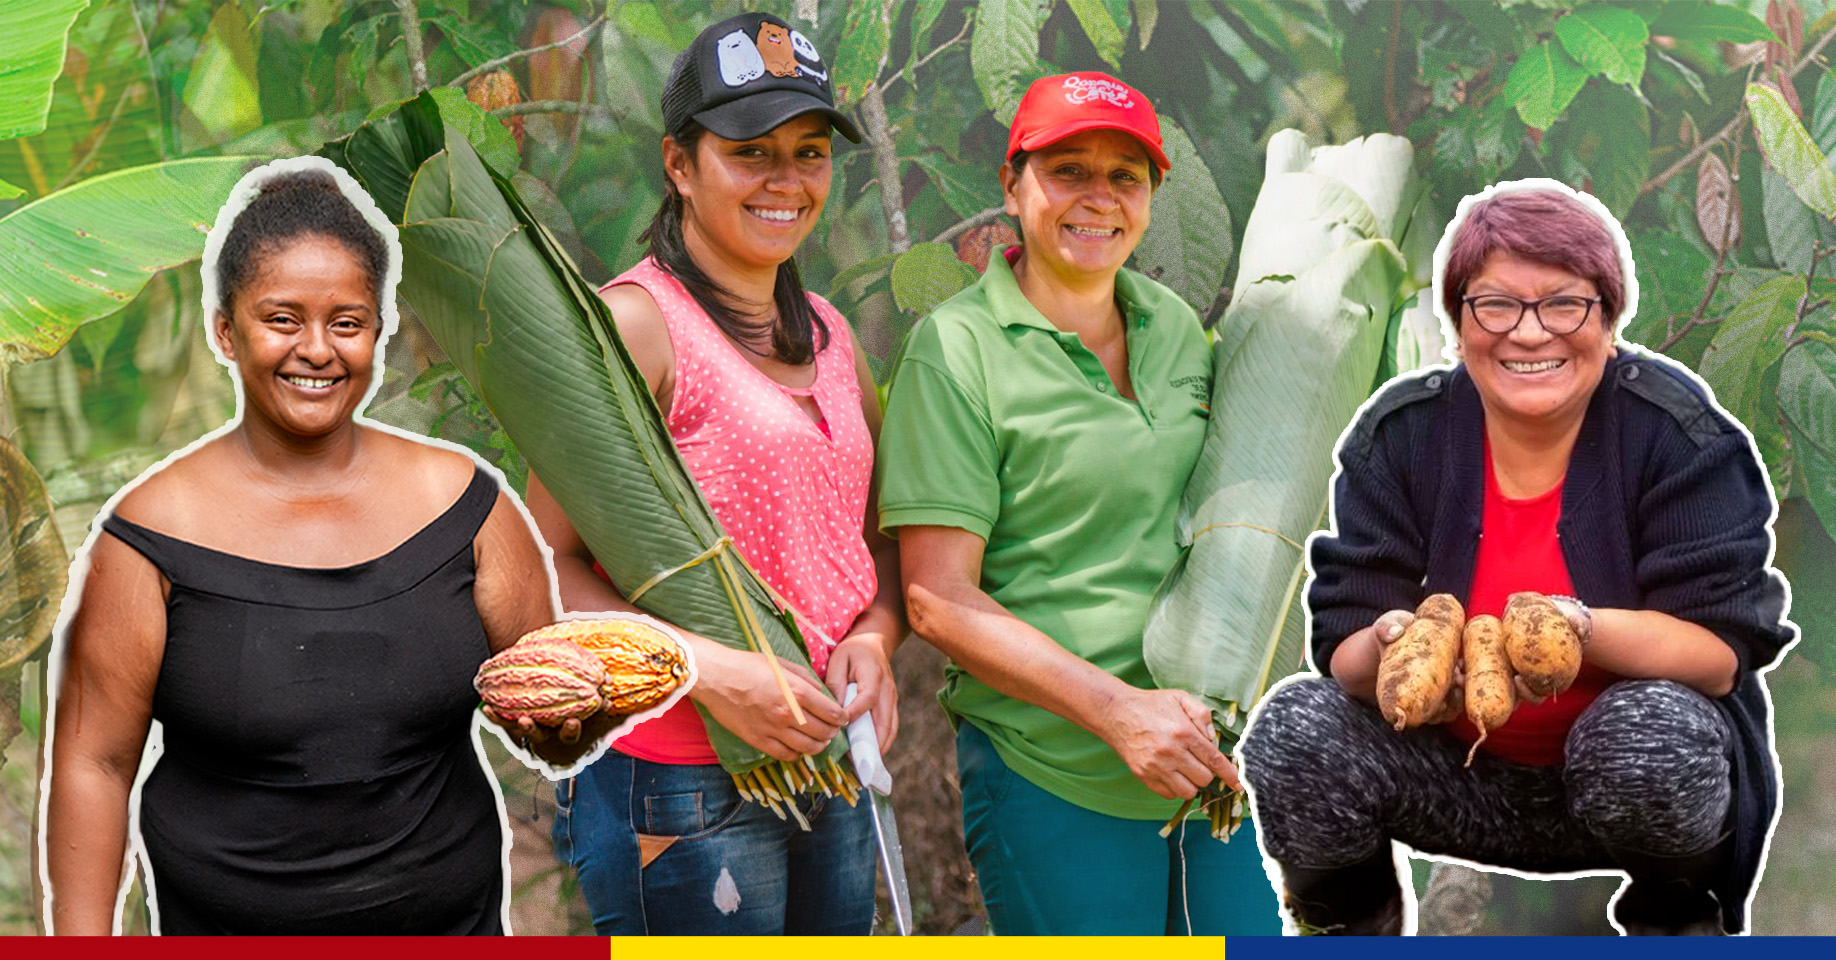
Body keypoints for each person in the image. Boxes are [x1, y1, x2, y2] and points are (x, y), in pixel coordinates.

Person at [1237, 181, 1796, 936]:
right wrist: (1401, 643)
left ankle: (1674, 918)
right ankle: (1349, 926)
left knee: (1653, 732)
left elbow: (1720, 655)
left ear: (1608, 315)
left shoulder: (1680, 437)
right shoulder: (1404, 435)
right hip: (1452, 778)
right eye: (1495, 305)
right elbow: (1342, 649)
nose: (1529, 334)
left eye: (1564, 304)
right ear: (1459, 320)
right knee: (1296, 724)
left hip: (1622, 783)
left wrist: (1578, 626)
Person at [42, 158, 562, 935]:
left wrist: (577, 711)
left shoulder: (465, 506)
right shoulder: (150, 536)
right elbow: (95, 764)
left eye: (345, 322)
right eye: (281, 319)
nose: (316, 350)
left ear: (377, 332)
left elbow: (549, 708)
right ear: (226, 329)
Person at [523, 12, 902, 936]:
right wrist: (711, 671)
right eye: (751, 152)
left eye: (810, 153)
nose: (787, 181)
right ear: (680, 165)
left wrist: (879, 639)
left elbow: (874, 543)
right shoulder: (636, 328)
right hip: (677, 780)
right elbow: (537, 569)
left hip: (826, 760)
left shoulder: (830, 332)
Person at [878, 72, 1283, 935]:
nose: (1099, 199)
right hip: (1055, 769)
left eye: (1124, 176)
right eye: (1069, 170)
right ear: (1013, 184)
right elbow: (937, 600)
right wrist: (1118, 713)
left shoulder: (1174, 326)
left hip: (1206, 762)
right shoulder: (956, 352)